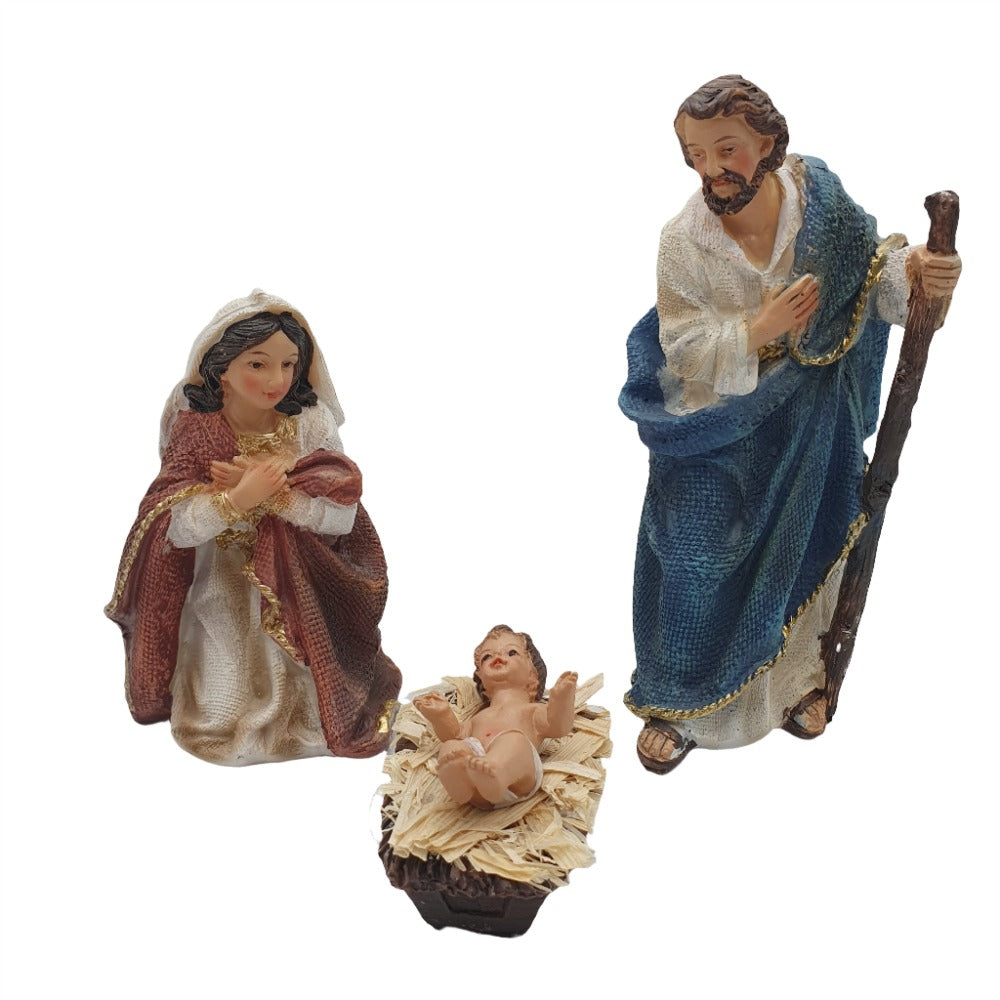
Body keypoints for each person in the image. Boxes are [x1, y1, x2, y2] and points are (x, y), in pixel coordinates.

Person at [619, 76, 961, 773]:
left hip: (811, 418)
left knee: (806, 543)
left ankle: (796, 681)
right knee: (692, 555)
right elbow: (682, 347)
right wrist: (759, 329)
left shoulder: (821, 207)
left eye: (727, 150)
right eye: (696, 155)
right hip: (716, 425)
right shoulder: (684, 242)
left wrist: (922, 274)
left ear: (769, 142)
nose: (712, 170)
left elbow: (871, 279)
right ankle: (681, 701)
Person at [106, 289, 402, 765]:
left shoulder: (310, 423)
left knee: (312, 701)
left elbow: (342, 514)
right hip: (222, 576)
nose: (276, 380)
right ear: (221, 367)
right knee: (218, 713)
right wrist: (238, 499)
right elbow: (174, 528)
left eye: (288, 364)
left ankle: (307, 711)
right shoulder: (197, 425)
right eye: (258, 364)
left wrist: (279, 498)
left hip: (299, 578)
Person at [413, 625, 578, 808]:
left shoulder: (532, 710)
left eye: (511, 652)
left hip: (515, 779)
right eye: (487, 657)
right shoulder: (479, 716)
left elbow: (558, 727)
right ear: (480, 676)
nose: (498, 657)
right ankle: (461, 783)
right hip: (475, 775)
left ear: (532, 672)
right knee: (451, 746)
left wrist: (562, 698)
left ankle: (495, 771)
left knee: (514, 740)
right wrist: (441, 715)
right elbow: (456, 734)